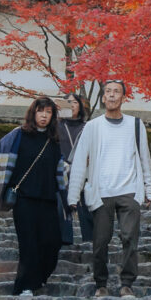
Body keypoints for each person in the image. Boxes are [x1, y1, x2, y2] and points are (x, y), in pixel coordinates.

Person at [0, 97, 69, 300]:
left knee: (52, 242)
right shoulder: (18, 136)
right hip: (24, 200)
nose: (44, 115)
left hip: (48, 200)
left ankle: (38, 278)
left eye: (48, 112)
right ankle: (25, 285)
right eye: (40, 111)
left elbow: (61, 170)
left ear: (53, 116)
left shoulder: (54, 141)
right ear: (33, 113)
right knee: (28, 244)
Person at [67, 78, 151, 298]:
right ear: (103, 97)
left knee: (129, 238)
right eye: (108, 92)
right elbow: (79, 162)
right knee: (100, 241)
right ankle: (101, 283)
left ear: (123, 98)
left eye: (117, 92)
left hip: (129, 190)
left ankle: (127, 283)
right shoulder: (92, 127)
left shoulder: (135, 124)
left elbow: (145, 158)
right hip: (101, 191)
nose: (112, 95)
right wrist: (73, 195)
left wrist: (148, 189)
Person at [58, 91, 93, 243]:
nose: (72, 105)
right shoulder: (56, 126)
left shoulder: (88, 127)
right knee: (62, 205)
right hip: (62, 170)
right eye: (68, 102)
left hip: (83, 171)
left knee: (86, 204)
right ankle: (65, 239)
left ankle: (90, 239)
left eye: (75, 102)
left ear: (80, 106)